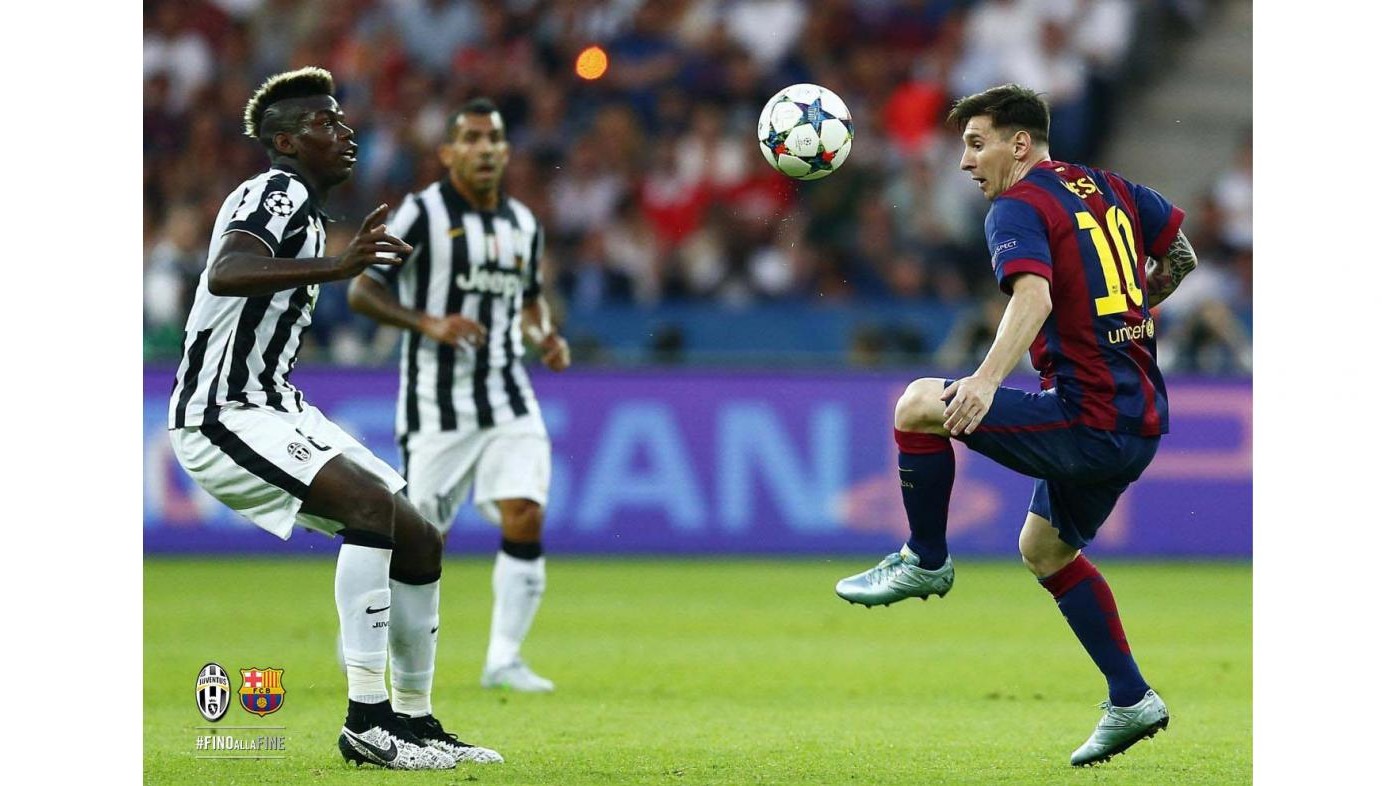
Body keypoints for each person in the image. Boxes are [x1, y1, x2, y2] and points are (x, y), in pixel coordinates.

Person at [834, 84, 1198, 768]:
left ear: (1019, 144)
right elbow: (1180, 256)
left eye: (977, 144)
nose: (966, 162)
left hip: (1088, 417)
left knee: (917, 403)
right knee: (1045, 549)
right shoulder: (1109, 186)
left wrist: (984, 380)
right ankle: (1131, 699)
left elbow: (1034, 296)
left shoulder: (1017, 205)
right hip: (1141, 419)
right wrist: (1134, 305)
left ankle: (924, 559)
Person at [166, 66, 504, 770]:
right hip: (221, 411)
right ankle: (367, 722)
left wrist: (338, 261)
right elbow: (227, 270)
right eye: (326, 123)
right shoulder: (277, 190)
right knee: (368, 506)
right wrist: (339, 266)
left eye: (343, 120)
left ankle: (413, 721)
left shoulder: (303, 206)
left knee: (417, 537)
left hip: (273, 403)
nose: (345, 132)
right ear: (286, 142)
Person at [348, 98, 571, 694]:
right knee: (423, 541)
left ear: (506, 151)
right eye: (471, 138)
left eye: (493, 138)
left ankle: (504, 658)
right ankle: (377, 653)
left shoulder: (523, 223)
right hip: (436, 403)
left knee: (525, 511)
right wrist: (429, 322)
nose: (485, 148)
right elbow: (364, 292)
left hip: (508, 393)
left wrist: (544, 335)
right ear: (448, 153)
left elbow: (529, 300)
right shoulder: (421, 213)